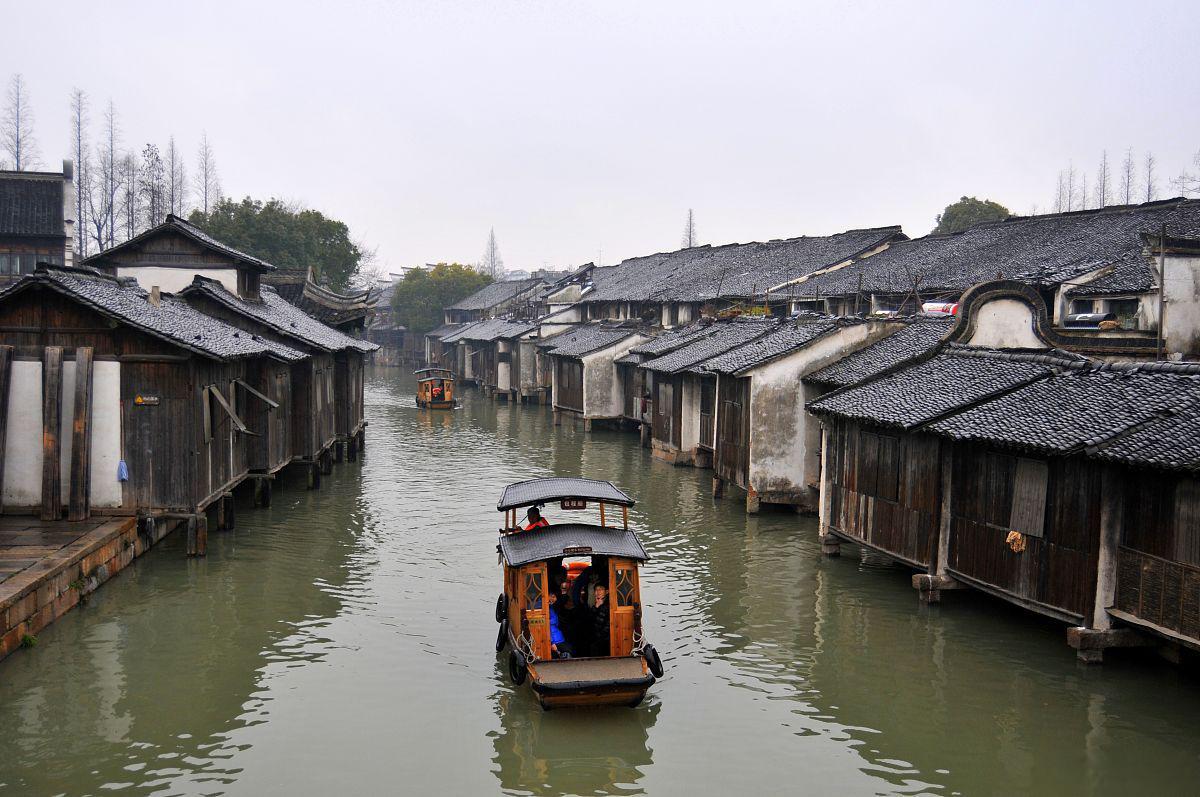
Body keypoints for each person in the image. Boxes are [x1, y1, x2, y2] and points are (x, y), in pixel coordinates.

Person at [548, 592, 574, 659]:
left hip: (559, 638)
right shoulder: (546, 609)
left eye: (554, 597)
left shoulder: (553, 608)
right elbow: (547, 627)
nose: (551, 599)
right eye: (550, 596)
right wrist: (552, 642)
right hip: (555, 640)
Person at [590, 583, 611, 657]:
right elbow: (590, 621)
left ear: (607, 591)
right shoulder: (595, 605)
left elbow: (608, 624)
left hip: (605, 639)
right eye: (596, 589)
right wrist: (596, 607)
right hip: (595, 638)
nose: (598, 591)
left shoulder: (610, 604)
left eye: (601, 589)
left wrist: (600, 636)